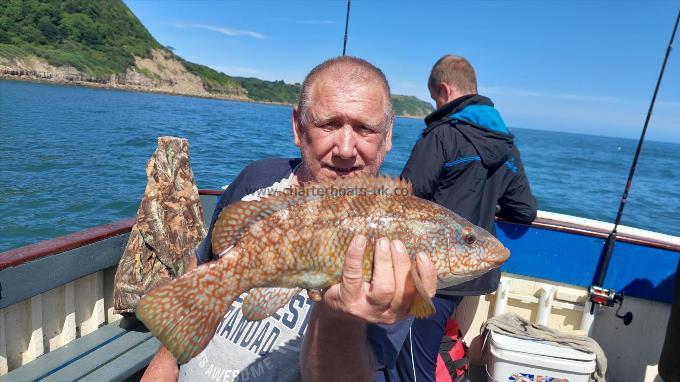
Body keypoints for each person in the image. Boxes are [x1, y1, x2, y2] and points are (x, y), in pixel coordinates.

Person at [141, 56, 438, 382]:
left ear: (388, 135)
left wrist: (338, 317)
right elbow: (202, 271)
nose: (345, 148)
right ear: (299, 127)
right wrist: (163, 364)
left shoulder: (400, 253)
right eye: (329, 124)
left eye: (365, 128)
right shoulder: (258, 178)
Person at [398, 54, 537, 381]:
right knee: (435, 350)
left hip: (437, 271)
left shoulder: (442, 135)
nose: (435, 105)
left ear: (444, 90)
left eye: (435, 98)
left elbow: (403, 201)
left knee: (412, 362)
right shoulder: (505, 145)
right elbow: (524, 210)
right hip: (476, 274)